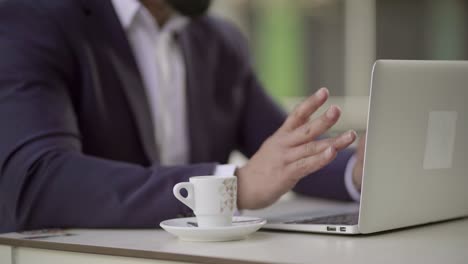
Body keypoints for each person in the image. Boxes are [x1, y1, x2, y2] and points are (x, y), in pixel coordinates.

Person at [0, 0, 364, 233]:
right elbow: (36, 180)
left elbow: (283, 156)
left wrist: (360, 172)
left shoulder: (218, 41)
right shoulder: (33, 17)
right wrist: (230, 187)